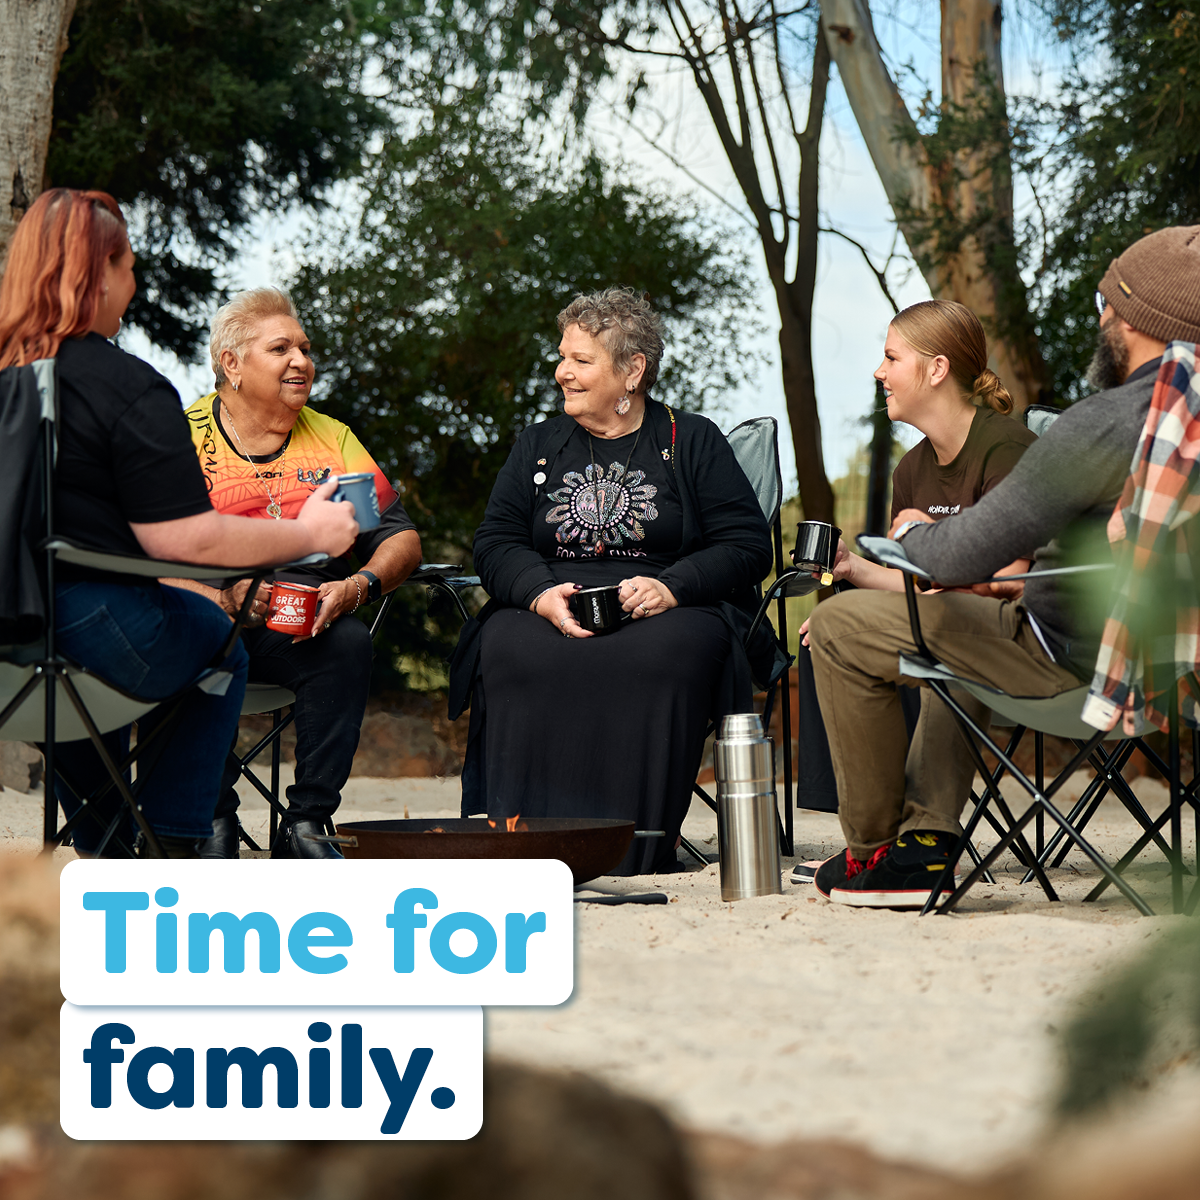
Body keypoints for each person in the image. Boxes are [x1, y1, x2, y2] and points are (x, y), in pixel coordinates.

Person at [807, 224, 1200, 907]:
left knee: (841, 627)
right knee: (954, 629)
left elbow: (970, 551)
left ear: (1133, 319)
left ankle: (878, 856)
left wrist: (912, 534)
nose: (1101, 321)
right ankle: (924, 841)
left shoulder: (1108, 422)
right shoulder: (1181, 421)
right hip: (1172, 667)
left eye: (1106, 305)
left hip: (1074, 663)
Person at [0, 189, 358, 856]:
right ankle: (174, 850)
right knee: (211, 639)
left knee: (85, 677)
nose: (133, 285)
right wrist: (310, 534)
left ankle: (108, 849)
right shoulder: (125, 386)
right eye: (128, 266)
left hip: (12, 641)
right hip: (80, 624)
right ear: (99, 274)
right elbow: (184, 538)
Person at [449, 287, 775, 875]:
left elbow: (747, 545)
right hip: (551, 599)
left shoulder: (690, 439)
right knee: (509, 645)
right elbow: (495, 541)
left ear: (633, 370)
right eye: (562, 357)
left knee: (664, 652)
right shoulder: (538, 444)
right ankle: (521, 840)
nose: (562, 372)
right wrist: (538, 593)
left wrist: (673, 587)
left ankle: (636, 843)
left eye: (581, 360)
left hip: (667, 605)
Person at [164, 288, 422, 859]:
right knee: (188, 633)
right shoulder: (181, 439)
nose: (301, 361)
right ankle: (208, 818)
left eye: (304, 348)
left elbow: (398, 538)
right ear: (231, 364)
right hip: (207, 616)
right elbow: (139, 555)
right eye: (280, 349)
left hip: (301, 621)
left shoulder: (331, 439)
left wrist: (358, 586)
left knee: (347, 643)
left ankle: (306, 823)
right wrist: (221, 599)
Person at [790, 300, 1036, 882]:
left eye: (892, 357)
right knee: (827, 632)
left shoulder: (1005, 448)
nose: (879, 371)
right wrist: (853, 569)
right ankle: (872, 842)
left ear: (937, 368)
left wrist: (929, 557)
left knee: (917, 635)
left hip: (1020, 637)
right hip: (952, 621)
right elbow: (917, 578)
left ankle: (918, 837)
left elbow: (1009, 576)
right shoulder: (912, 470)